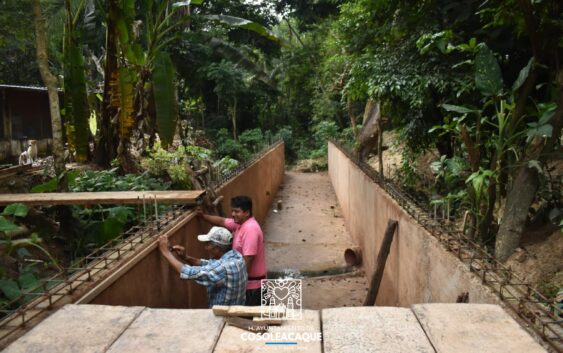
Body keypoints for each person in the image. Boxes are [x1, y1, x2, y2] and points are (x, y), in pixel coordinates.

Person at [197, 195, 266, 306]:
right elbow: (222, 221)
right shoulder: (240, 224)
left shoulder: (250, 229)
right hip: (248, 283)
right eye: (232, 211)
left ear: (247, 212)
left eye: (237, 211)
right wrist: (202, 216)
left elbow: (247, 260)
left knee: (249, 320)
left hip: (253, 287)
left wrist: (236, 281)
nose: (233, 214)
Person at [158, 226, 247, 307]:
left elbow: (188, 272)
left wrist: (166, 252)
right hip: (236, 309)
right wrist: (185, 257)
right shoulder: (236, 256)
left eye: (208, 244)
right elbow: (209, 265)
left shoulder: (224, 267)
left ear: (217, 248)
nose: (205, 248)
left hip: (223, 316)